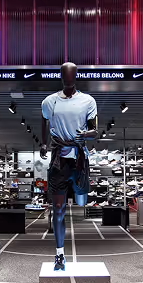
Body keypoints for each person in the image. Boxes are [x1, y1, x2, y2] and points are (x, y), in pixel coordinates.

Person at [40, 62, 98, 271]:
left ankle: (79, 190)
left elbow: (94, 130)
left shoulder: (88, 100)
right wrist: (43, 143)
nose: (69, 76)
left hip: (79, 158)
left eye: (72, 73)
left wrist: (88, 134)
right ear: (61, 76)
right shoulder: (49, 101)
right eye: (65, 73)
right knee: (58, 209)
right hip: (59, 160)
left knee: (82, 201)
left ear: (76, 75)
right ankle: (59, 254)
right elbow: (44, 121)